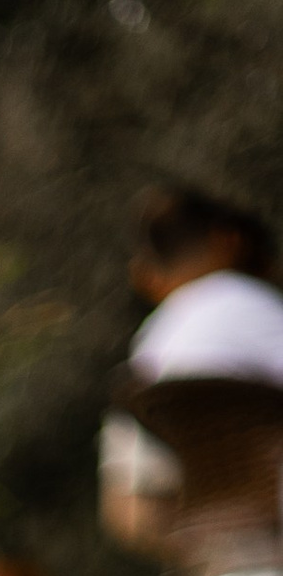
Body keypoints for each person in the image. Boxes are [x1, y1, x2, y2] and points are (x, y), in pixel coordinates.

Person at [98, 183, 283, 553]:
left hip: (217, 573)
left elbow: (126, 509)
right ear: (228, 240)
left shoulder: (151, 348)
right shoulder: (266, 310)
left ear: (146, 277)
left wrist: (207, 549)